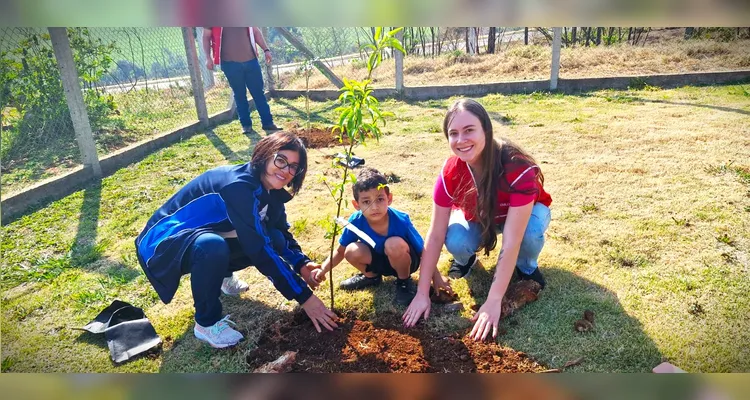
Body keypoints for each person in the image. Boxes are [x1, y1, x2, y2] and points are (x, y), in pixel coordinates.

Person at [134, 132, 337, 349]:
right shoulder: (239, 187)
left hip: (207, 231)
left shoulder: (270, 191)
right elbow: (257, 247)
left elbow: (278, 233)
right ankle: (206, 323)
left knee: (270, 235)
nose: (285, 170)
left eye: (293, 167)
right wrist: (304, 297)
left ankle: (221, 275)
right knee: (212, 247)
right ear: (265, 155)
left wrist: (301, 264)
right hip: (163, 242)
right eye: (280, 160)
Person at [402, 98, 552, 342]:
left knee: (529, 232)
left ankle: (527, 268)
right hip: (482, 217)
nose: (461, 140)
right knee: (456, 238)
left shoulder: (517, 166)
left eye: (469, 130)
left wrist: (494, 301)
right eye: (453, 133)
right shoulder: (451, 172)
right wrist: (422, 292)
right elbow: (436, 233)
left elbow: (511, 240)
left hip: (524, 215)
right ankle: (466, 260)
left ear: (486, 129)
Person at [310, 167, 434, 306]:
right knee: (350, 250)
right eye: (366, 202)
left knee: (393, 244)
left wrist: (437, 278)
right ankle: (372, 277)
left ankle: (404, 282)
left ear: (389, 198)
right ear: (356, 204)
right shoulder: (355, 221)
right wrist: (323, 269)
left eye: (380, 199)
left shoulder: (401, 220)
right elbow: (340, 251)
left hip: (405, 260)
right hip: (379, 260)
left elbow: (423, 252)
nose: (374, 207)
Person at [202, 27, 280, 134]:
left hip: (251, 61)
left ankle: (268, 123)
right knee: (239, 95)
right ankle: (246, 125)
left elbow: (255, 31)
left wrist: (266, 50)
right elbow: (206, 37)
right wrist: (208, 57)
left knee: (258, 93)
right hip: (230, 64)